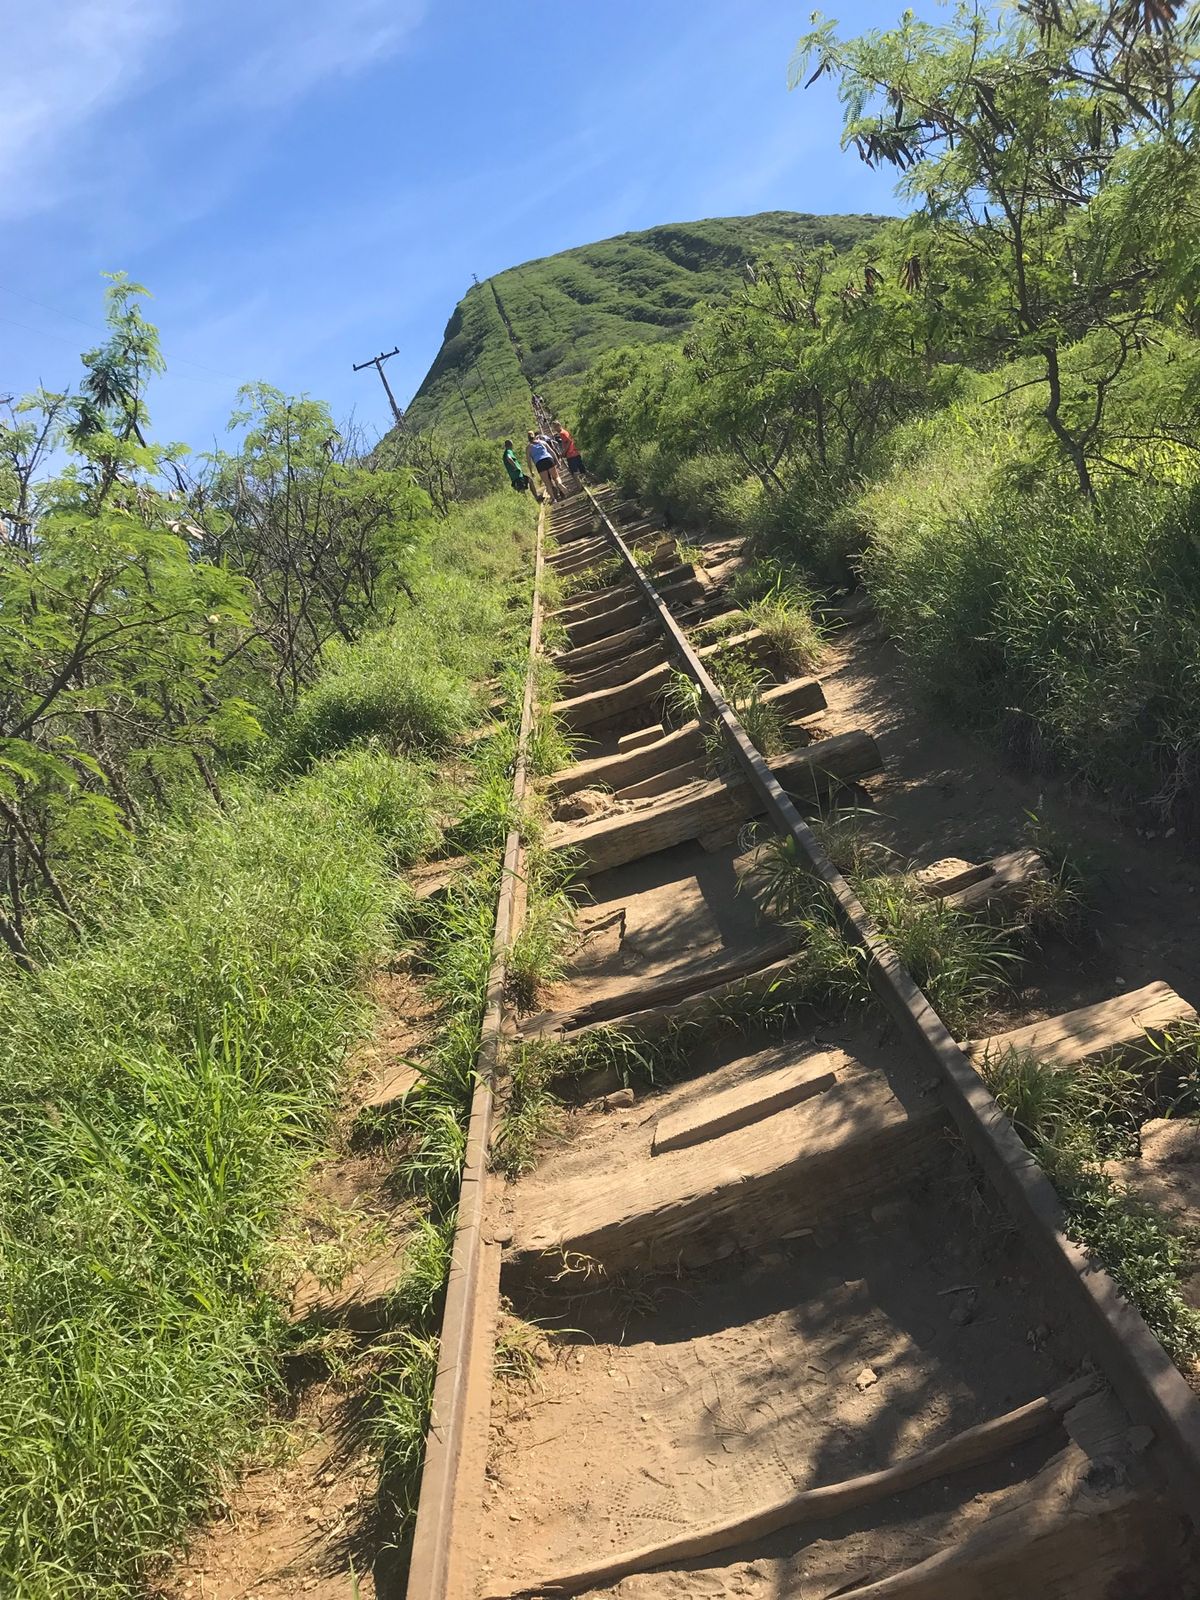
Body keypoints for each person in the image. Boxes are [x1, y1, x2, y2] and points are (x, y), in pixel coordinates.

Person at [526, 429, 564, 501]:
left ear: (528, 438)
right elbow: (552, 452)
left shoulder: (528, 447)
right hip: (548, 459)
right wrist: (557, 462)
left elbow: (529, 461)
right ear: (534, 436)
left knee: (547, 483)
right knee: (556, 477)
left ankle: (553, 499)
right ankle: (559, 484)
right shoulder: (542, 442)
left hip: (540, 463)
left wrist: (531, 471)